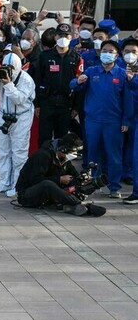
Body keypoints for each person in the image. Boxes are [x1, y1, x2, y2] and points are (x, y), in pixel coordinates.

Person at [70, 40, 132, 199]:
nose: (107, 54)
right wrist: (78, 81)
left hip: (114, 122)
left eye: (111, 51)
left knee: (114, 156)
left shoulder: (122, 74)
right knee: (93, 154)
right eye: (105, 50)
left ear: (117, 55)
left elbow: (127, 100)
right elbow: (74, 84)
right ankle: (92, 184)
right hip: (93, 121)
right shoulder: (92, 71)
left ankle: (114, 187)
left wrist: (126, 121)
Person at [0, 52, 36, 198]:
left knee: (19, 152)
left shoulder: (26, 80)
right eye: (6, 67)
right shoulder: (0, 76)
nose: (8, 71)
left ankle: (18, 185)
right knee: (2, 150)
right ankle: (4, 182)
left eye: (11, 68)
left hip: (21, 117)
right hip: (3, 115)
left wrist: (8, 84)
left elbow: (19, 99)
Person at [15, 133, 92, 216]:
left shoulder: (64, 159)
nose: (73, 155)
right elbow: (35, 180)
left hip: (48, 195)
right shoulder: (42, 155)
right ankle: (77, 203)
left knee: (78, 183)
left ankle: (69, 204)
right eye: (72, 152)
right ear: (63, 150)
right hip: (27, 194)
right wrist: (59, 179)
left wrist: (83, 180)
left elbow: (74, 174)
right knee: (47, 184)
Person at [33, 23, 81, 146]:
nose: (63, 38)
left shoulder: (76, 58)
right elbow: (37, 80)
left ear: (71, 37)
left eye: (66, 36)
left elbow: (79, 84)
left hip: (66, 104)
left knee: (62, 138)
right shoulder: (45, 56)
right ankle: (44, 158)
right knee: (44, 137)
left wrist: (75, 107)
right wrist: (37, 104)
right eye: (60, 35)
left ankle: (59, 159)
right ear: (55, 37)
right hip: (47, 102)